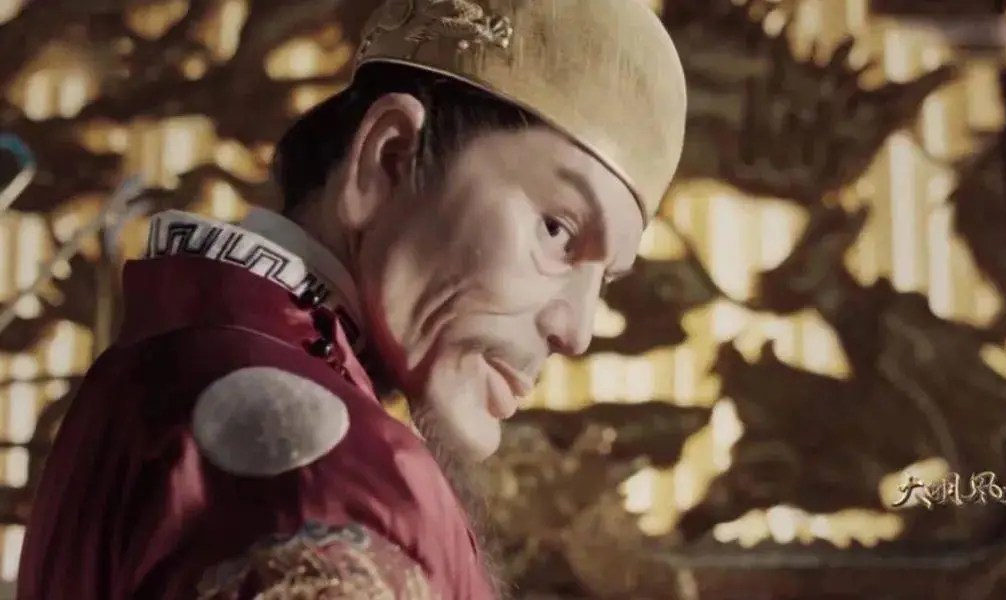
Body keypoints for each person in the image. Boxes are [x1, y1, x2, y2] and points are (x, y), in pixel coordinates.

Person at [16, 0, 686, 598]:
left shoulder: (154, 376)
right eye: (558, 231)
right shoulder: (323, 474)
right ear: (388, 159)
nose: (578, 330)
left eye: (605, 279)